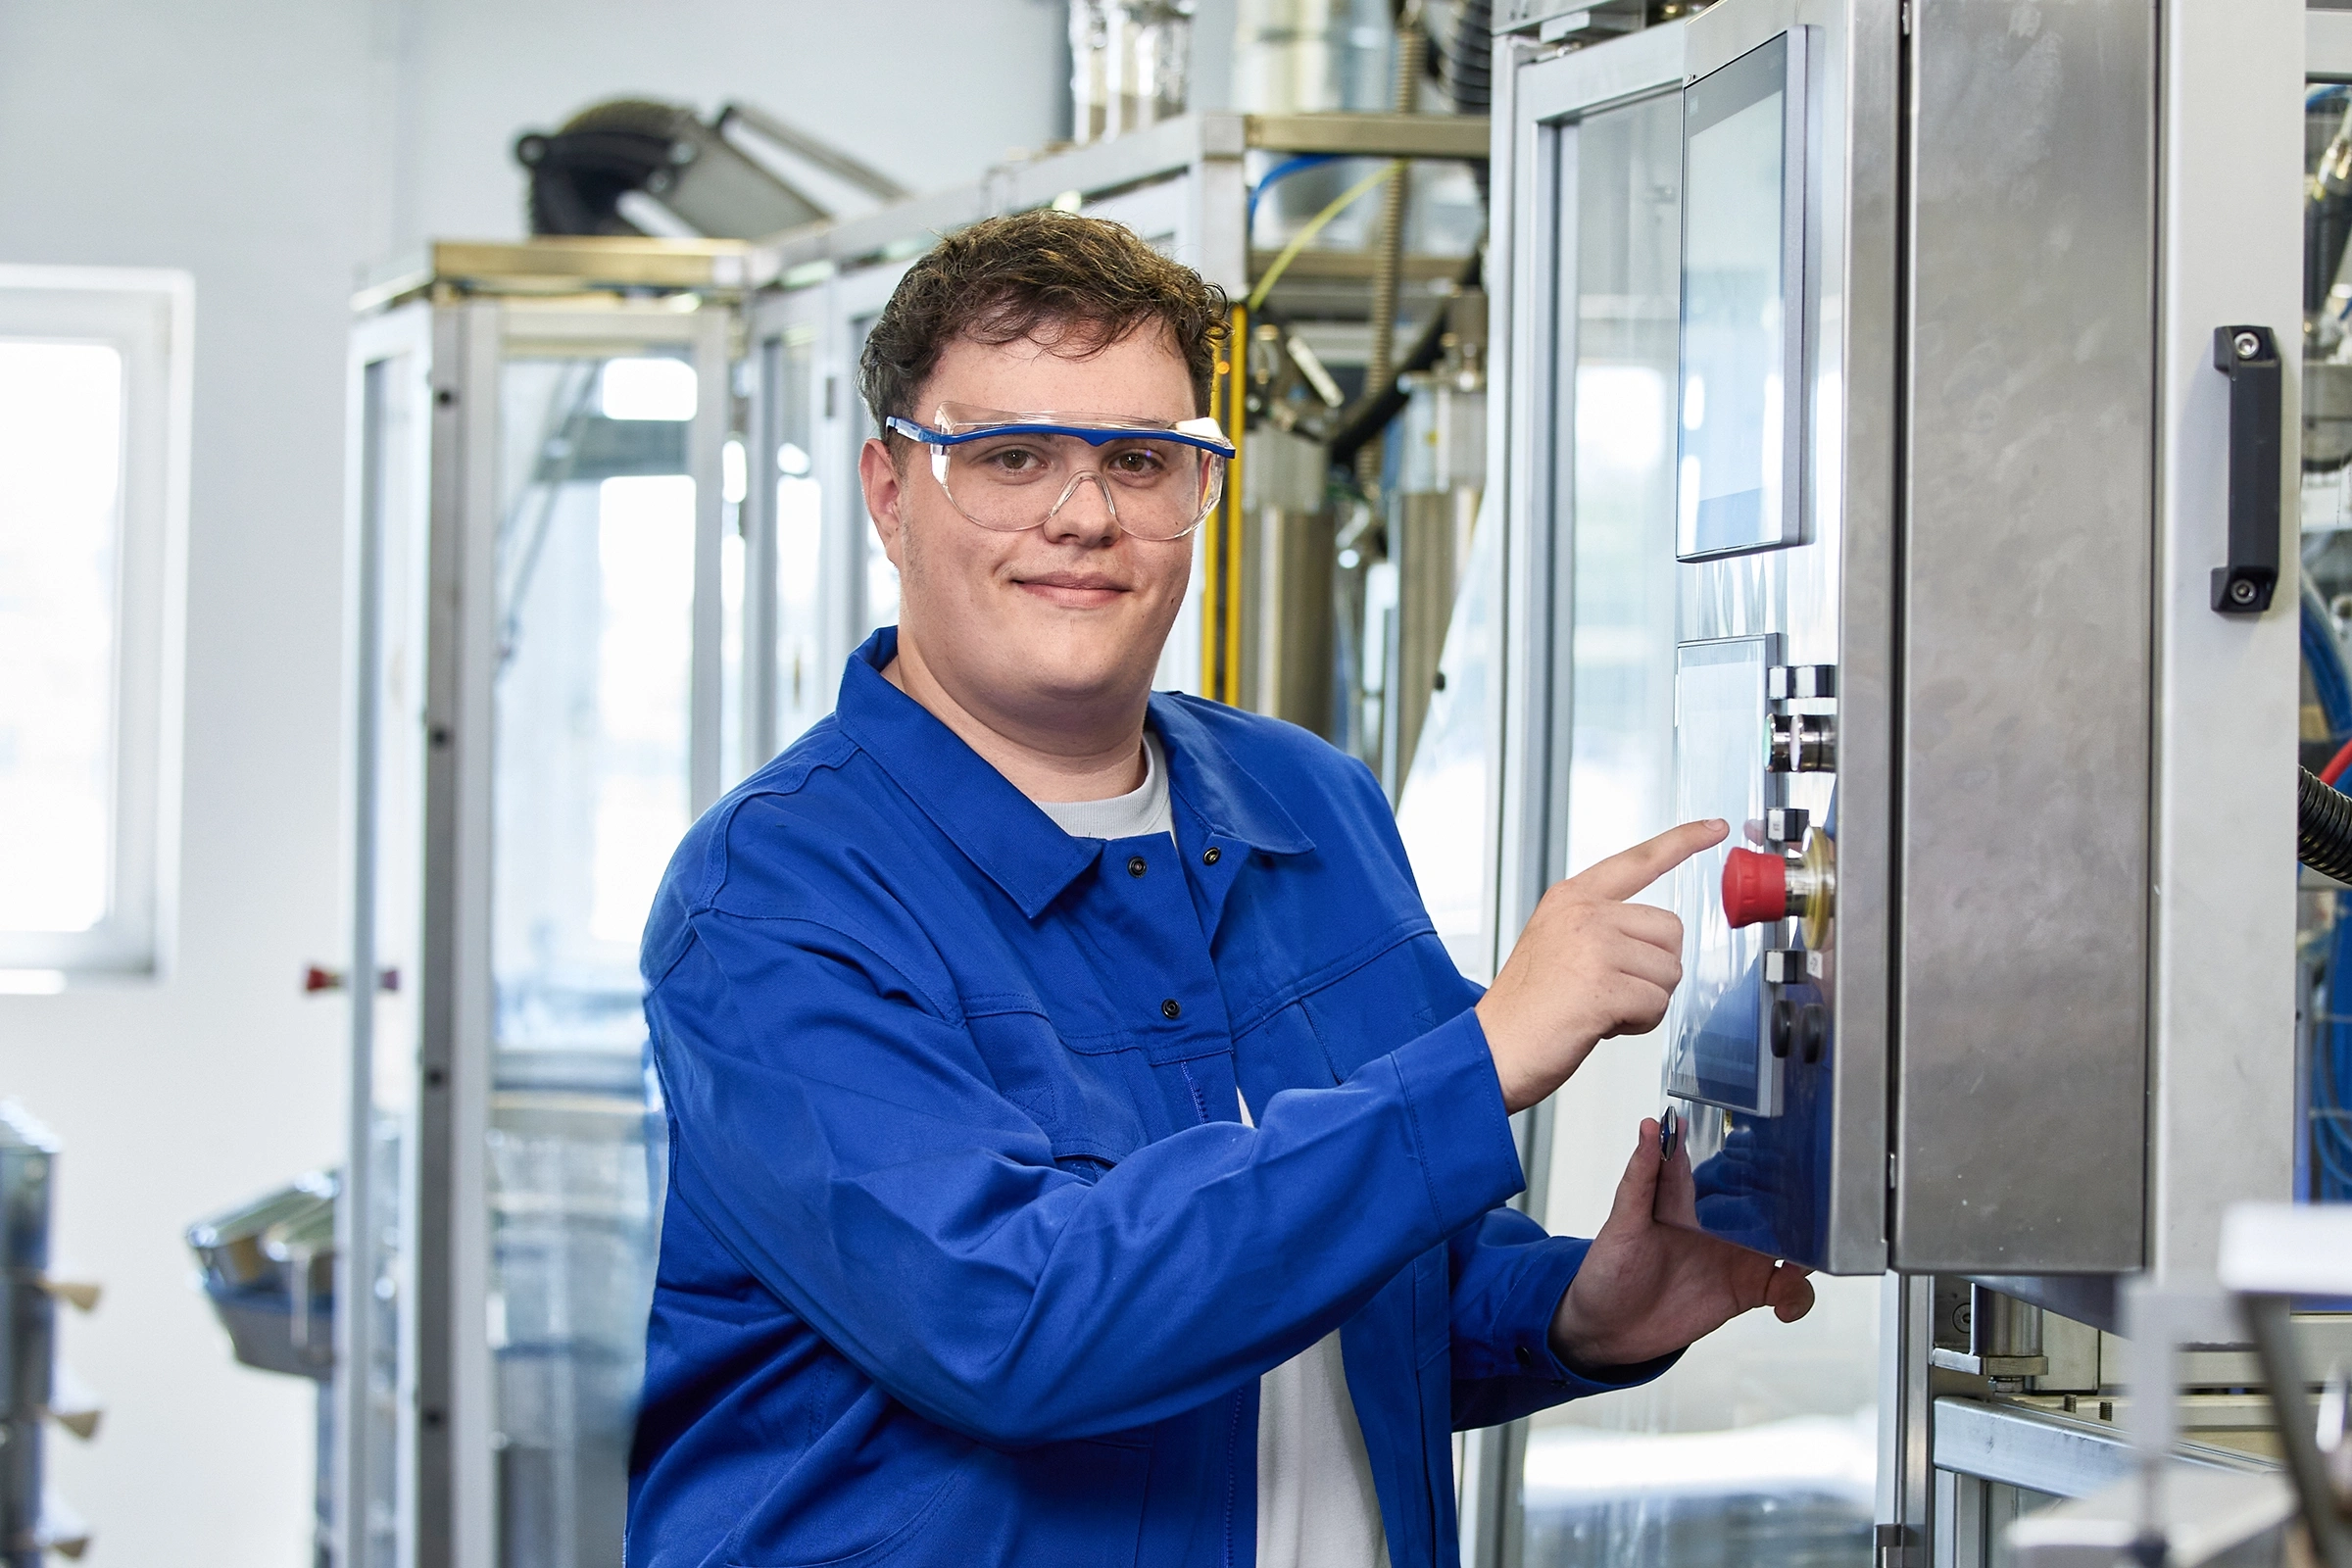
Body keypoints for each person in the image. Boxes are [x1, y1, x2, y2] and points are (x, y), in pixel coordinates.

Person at [625, 210, 1813, 1568]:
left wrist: (1574, 1313)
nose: (1084, 517)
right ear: (890, 491)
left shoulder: (1306, 806)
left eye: (1142, 460)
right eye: (1009, 458)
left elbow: (1357, 1282)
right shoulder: (777, 897)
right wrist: (1474, 1067)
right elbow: (1021, 1326)